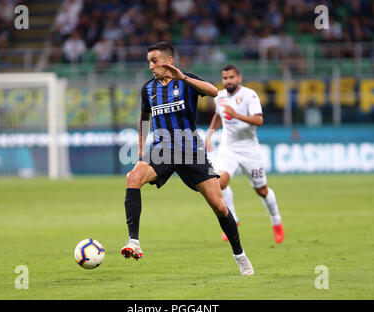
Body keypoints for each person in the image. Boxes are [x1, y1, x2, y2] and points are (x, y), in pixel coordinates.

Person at [121, 43, 254, 276]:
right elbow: (144, 120)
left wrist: (182, 76)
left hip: (191, 151)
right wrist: (141, 155)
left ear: (168, 61)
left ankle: (239, 255)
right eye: (149, 61)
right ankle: (134, 241)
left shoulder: (186, 81)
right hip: (162, 150)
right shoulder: (148, 89)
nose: (151, 66)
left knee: (219, 206)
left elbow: (214, 92)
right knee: (132, 178)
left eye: (154, 61)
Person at [205, 64, 285, 244]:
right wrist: (209, 135)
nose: (228, 81)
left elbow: (259, 120)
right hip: (229, 148)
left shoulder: (250, 95)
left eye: (232, 77)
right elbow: (219, 115)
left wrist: (236, 115)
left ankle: (276, 221)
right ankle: (232, 219)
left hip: (249, 149)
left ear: (239, 78)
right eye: (225, 78)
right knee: (219, 183)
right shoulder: (219, 97)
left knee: (261, 190)